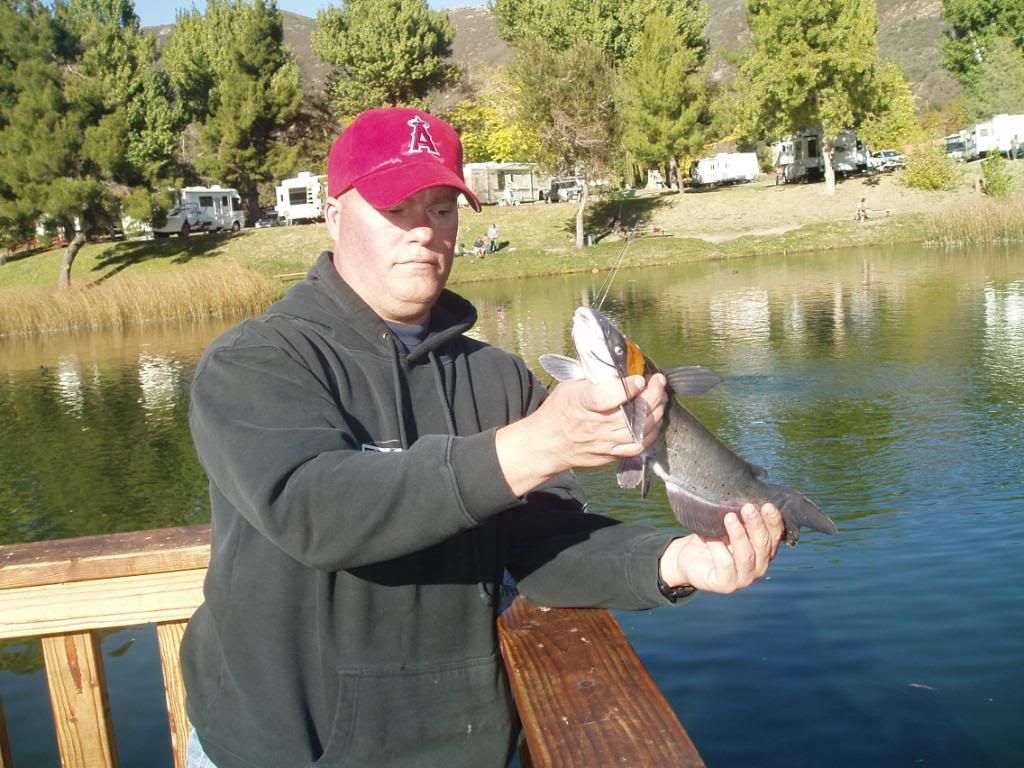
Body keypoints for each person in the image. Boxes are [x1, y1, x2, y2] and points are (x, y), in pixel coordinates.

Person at [181, 106, 784, 768]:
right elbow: (315, 512)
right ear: (333, 214)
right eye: (396, 206)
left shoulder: (497, 378)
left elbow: (544, 546)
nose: (422, 232)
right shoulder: (255, 361)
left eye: (441, 209)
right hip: (287, 753)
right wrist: (536, 446)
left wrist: (675, 562)